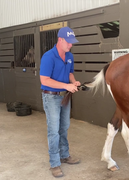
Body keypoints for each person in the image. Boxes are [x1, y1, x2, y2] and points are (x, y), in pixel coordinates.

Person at [40, 26, 81, 178]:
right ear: (60, 40)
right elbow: (44, 79)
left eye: (72, 42)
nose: (70, 45)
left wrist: (74, 82)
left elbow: (70, 73)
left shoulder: (70, 56)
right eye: (68, 42)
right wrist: (66, 86)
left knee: (64, 127)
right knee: (54, 130)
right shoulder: (48, 57)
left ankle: (64, 155)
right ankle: (55, 163)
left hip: (65, 96)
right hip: (51, 97)